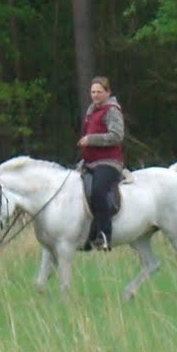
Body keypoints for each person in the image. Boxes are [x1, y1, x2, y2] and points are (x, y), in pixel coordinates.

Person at [78, 76, 125, 251]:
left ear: (108, 92)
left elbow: (117, 136)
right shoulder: (92, 110)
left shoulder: (112, 110)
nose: (95, 95)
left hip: (109, 162)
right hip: (90, 162)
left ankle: (105, 235)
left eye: (99, 92)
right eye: (93, 92)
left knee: (98, 191)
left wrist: (91, 139)